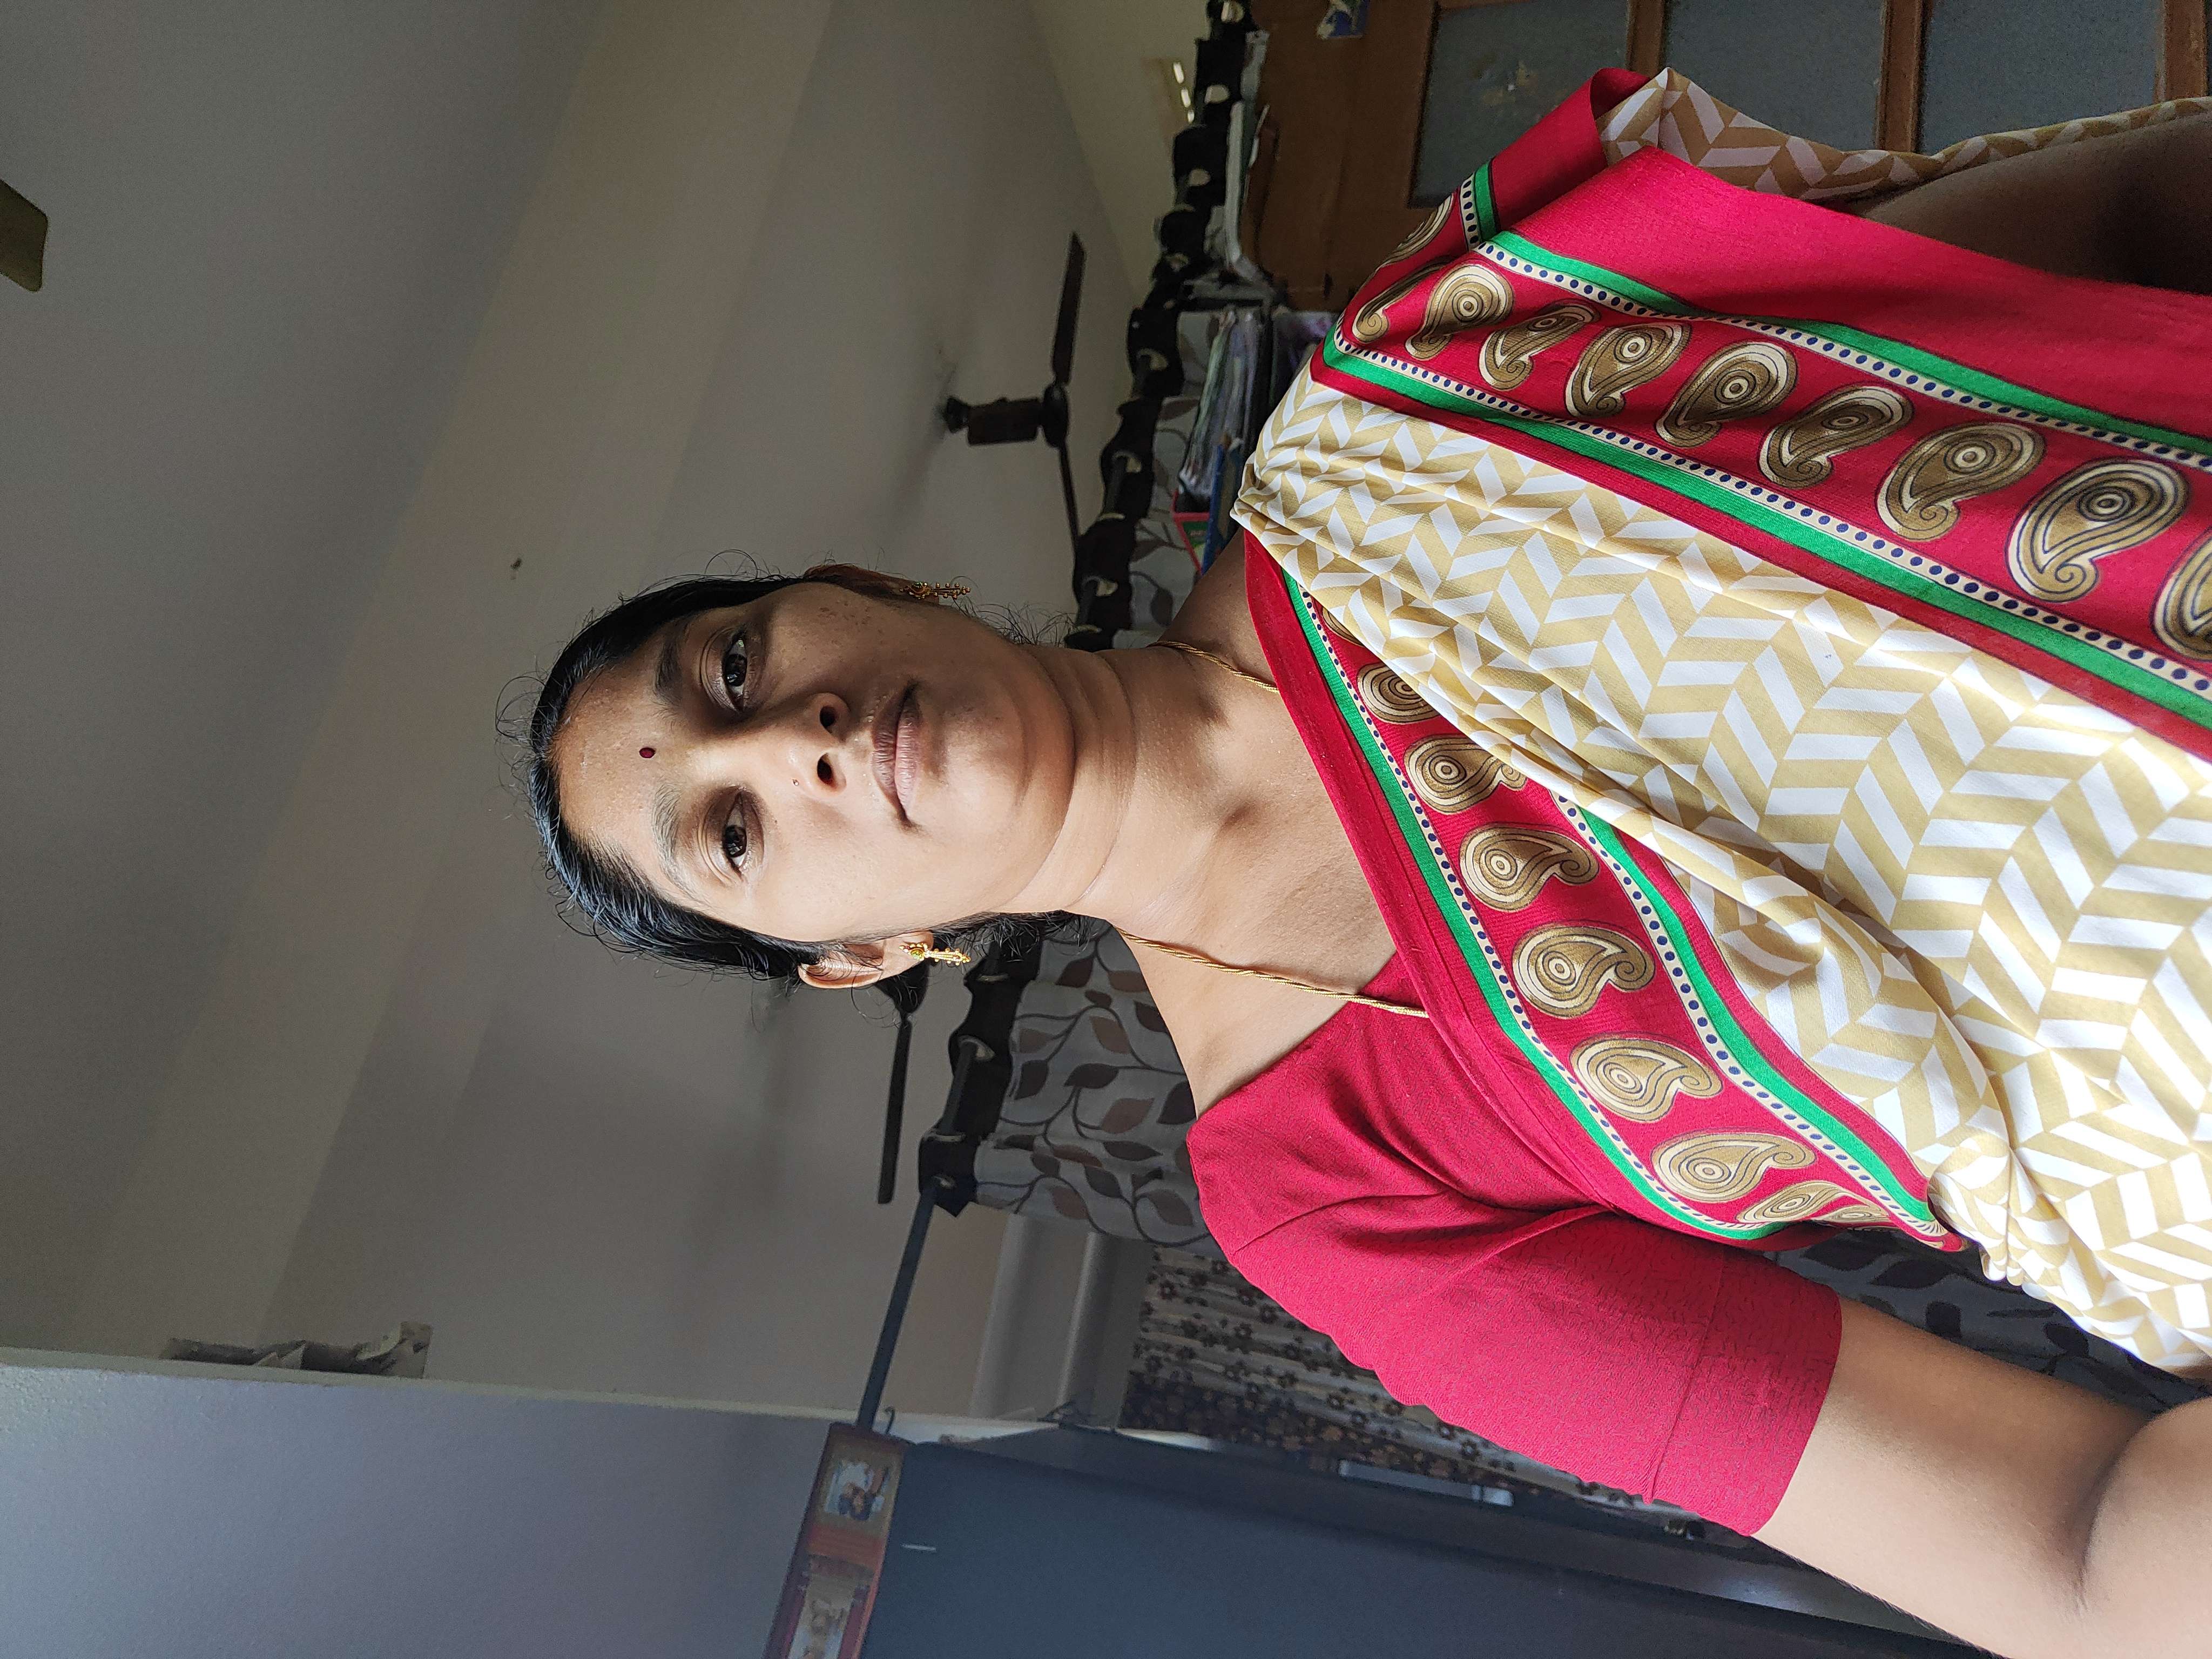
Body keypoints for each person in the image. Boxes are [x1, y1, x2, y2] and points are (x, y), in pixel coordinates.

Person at [521, 73, 2212, 1657]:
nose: (791, 745)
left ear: (867, 585)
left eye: (733, 668)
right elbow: (2068, 1548)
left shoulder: (1435, 372)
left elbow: (2127, 221)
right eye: (733, 833)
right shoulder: (1332, 1205)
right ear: (857, 959)